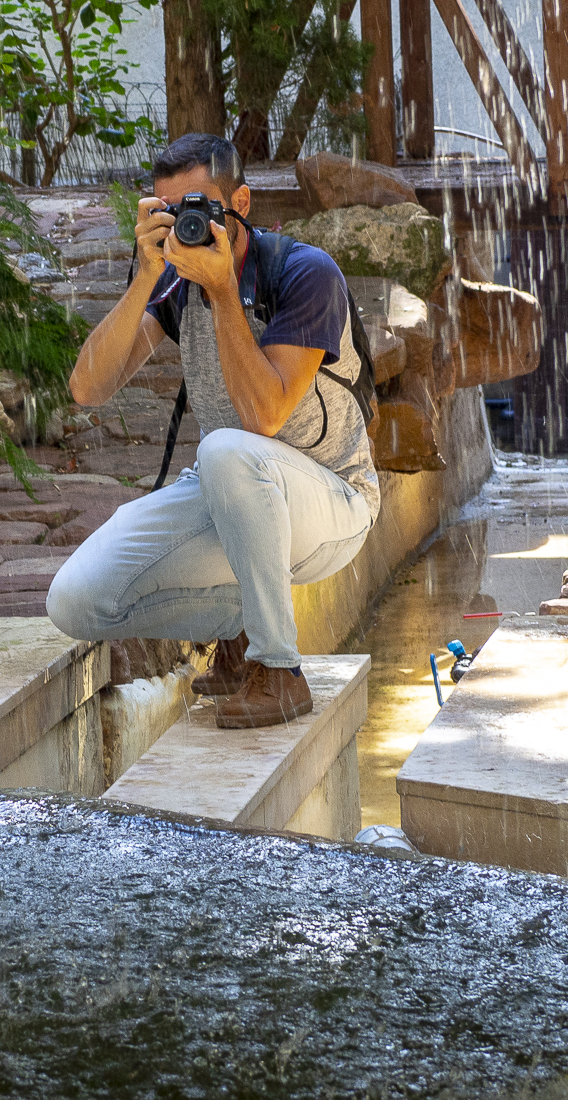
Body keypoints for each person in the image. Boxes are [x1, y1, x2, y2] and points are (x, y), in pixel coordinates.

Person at [46, 134, 377, 728]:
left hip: (332, 498)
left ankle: (278, 671)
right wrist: (146, 277)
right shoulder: (173, 282)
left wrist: (224, 290)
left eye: (199, 208)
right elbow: (87, 390)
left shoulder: (302, 273)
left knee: (225, 448)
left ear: (241, 203)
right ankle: (236, 626)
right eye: (171, 212)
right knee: (75, 599)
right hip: (228, 490)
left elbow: (264, 418)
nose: (185, 225)